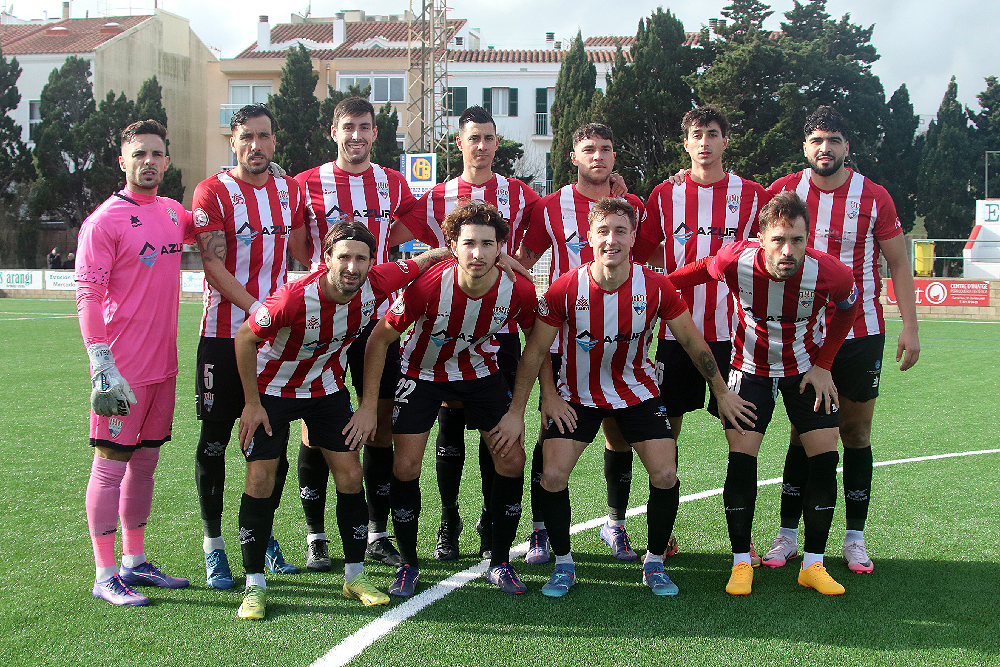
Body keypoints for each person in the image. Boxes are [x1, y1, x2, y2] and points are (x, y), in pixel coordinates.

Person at [494, 197, 754, 598]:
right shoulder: (567, 287)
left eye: (620, 231)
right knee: (553, 475)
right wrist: (529, 406)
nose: (611, 240)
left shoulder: (654, 286)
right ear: (589, 237)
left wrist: (721, 392)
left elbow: (691, 340)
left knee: (666, 474)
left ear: (634, 237)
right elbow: (535, 353)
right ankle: (563, 564)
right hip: (577, 394)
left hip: (637, 392)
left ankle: (653, 562)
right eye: (603, 231)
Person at [232, 219, 452, 620]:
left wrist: (484, 254)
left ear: (372, 262)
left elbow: (425, 259)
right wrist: (251, 403)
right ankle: (254, 585)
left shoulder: (378, 282)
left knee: (350, 476)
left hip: (326, 392)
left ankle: (353, 576)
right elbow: (245, 338)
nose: (353, 267)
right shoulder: (293, 299)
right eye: (344, 257)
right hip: (273, 392)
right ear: (326, 259)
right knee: (260, 479)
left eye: (361, 259)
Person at [668, 191, 858, 596]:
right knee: (741, 461)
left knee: (824, 461)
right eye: (778, 239)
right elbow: (700, 269)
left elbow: (848, 308)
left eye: (797, 241)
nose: (787, 250)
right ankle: (740, 562)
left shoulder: (832, 274)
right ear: (761, 237)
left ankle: (813, 564)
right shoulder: (736, 260)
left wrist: (825, 365)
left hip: (806, 372)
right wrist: (658, 287)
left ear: (809, 240)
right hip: (749, 371)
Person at [347, 201, 539, 597]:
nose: (478, 253)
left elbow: (538, 343)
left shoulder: (517, 288)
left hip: (481, 375)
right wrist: (368, 406)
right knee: (406, 464)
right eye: (468, 243)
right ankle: (408, 564)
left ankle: (500, 561)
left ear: (501, 246)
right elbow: (380, 339)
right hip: (423, 374)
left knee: (512, 457)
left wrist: (519, 411)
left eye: (488, 244)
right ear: (452, 245)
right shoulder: (430, 284)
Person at [761, 106, 920, 574]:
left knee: (855, 432)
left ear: (847, 147)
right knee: (802, 433)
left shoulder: (874, 196)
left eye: (833, 140)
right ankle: (787, 534)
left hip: (861, 331)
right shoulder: (784, 192)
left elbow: (898, 263)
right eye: (815, 140)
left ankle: (854, 537)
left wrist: (910, 326)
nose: (824, 148)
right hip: (804, 334)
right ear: (805, 147)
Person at [394, 105, 542, 562]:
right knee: (449, 425)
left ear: (498, 143)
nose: (481, 146)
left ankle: (488, 519)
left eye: (489, 138)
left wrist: (514, 269)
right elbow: (392, 233)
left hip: (495, 327)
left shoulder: (519, 193)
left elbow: (547, 229)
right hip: (440, 326)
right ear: (459, 144)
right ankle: (448, 517)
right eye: (473, 138)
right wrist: (434, 262)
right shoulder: (437, 195)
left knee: (494, 431)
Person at [290, 96, 423, 572]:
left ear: (375, 133)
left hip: (378, 319)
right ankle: (316, 536)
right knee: (314, 425)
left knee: (380, 423)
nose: (357, 136)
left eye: (365, 127)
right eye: (348, 127)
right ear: (334, 132)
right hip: (321, 319)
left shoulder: (392, 182)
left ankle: (377, 533)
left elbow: (412, 225)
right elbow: (300, 246)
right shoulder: (307, 184)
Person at [632, 106, 767, 561]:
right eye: (696, 135)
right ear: (685, 144)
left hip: (738, 337)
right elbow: (640, 252)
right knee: (666, 436)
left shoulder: (752, 195)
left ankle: (741, 531)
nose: (705, 142)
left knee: (740, 436)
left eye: (713, 134)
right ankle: (663, 532)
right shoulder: (665, 195)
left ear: (726, 141)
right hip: (676, 334)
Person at [513, 122, 646, 565]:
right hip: (562, 338)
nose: (599, 157)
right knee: (552, 431)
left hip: (620, 338)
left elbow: (643, 264)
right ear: (573, 156)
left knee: (618, 433)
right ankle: (540, 532)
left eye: (606, 149)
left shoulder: (632, 206)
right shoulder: (550, 206)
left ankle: (615, 524)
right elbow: (525, 262)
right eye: (589, 149)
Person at [76, 119, 193, 606]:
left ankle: (134, 561)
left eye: (157, 154)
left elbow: (215, 221)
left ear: (167, 161)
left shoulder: (171, 213)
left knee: (145, 465)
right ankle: (105, 574)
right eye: (139, 154)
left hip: (164, 367)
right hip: (122, 371)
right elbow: (87, 291)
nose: (149, 162)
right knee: (109, 468)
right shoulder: (103, 221)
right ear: (123, 162)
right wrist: (100, 360)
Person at [192, 103, 307, 589]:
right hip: (223, 335)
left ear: (274, 142)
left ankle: (262, 535)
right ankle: (214, 545)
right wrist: (261, 311)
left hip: (274, 342)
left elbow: (305, 252)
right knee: (217, 440)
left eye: (264, 137)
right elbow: (213, 267)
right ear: (233, 142)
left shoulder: (290, 189)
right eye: (246, 137)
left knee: (271, 444)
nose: (256, 146)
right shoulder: (212, 191)